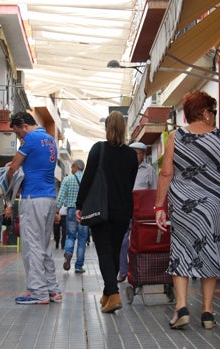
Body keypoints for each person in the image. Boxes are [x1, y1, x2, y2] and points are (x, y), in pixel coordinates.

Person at [154, 90, 220, 330]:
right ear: (204, 112)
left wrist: (159, 206)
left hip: (183, 204)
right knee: (210, 251)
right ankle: (208, 313)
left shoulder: (175, 136)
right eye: (212, 111)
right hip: (213, 204)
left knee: (181, 250)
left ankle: (181, 308)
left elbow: (166, 172)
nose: (213, 116)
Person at [76, 111, 138, 313]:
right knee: (112, 251)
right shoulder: (131, 155)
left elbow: (87, 180)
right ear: (124, 129)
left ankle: (113, 295)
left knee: (103, 251)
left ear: (107, 128)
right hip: (123, 210)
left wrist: (79, 205)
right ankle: (107, 292)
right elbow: (130, 183)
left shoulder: (98, 149)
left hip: (101, 209)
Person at [6, 111, 62, 305]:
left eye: (18, 133)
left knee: (32, 246)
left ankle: (38, 292)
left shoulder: (30, 139)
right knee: (45, 245)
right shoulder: (49, 138)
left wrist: (9, 186)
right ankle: (53, 289)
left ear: (23, 125)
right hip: (49, 197)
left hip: (33, 197)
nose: (19, 137)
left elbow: (13, 168)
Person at [117, 141, 157, 282]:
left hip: (143, 214)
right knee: (123, 242)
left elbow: (154, 192)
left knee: (141, 242)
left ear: (144, 154)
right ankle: (123, 272)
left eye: (136, 153)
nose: (133, 156)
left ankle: (142, 271)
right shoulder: (123, 168)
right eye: (131, 152)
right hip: (126, 210)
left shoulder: (149, 170)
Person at [58, 159, 89, 273]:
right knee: (82, 239)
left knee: (70, 236)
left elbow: (61, 197)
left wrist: (57, 210)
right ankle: (78, 266)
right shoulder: (88, 180)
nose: (71, 170)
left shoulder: (67, 179)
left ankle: (68, 253)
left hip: (71, 210)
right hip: (84, 212)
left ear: (76, 167)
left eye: (72, 167)